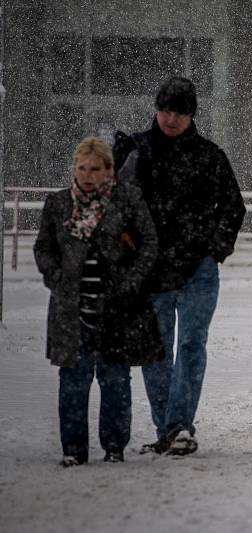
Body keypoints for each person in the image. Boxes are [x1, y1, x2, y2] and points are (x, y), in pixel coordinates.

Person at [114, 76, 246, 455]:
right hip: (150, 269)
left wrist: (214, 250)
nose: (171, 118)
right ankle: (170, 427)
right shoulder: (135, 152)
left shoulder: (209, 156)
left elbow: (233, 206)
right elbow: (115, 205)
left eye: (180, 112)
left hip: (198, 270)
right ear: (156, 109)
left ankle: (177, 426)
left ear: (192, 115)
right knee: (155, 351)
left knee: (191, 345)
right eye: (166, 110)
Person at [34, 137, 163, 467]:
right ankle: (73, 449)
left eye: (95, 169)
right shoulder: (60, 204)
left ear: (108, 170)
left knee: (115, 380)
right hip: (70, 308)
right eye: (81, 168)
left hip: (115, 308)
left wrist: (130, 282)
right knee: (72, 382)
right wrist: (57, 278)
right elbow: (44, 248)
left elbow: (149, 243)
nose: (87, 175)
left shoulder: (127, 199)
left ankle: (115, 445)